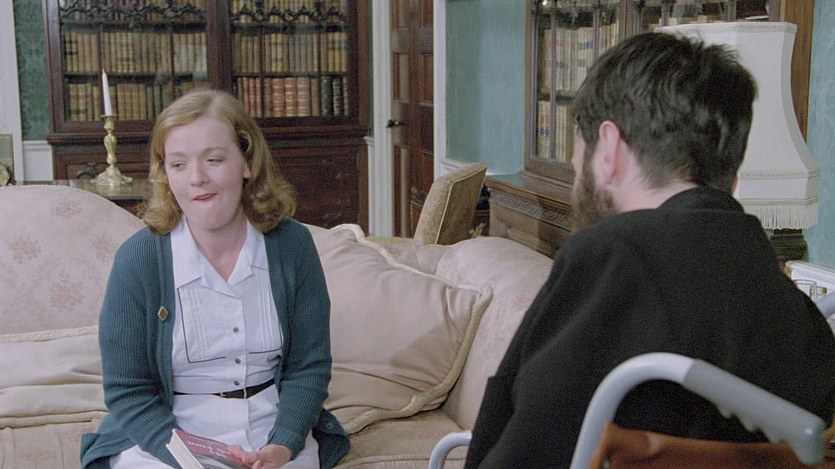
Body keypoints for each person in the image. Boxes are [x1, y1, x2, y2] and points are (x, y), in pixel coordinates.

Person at [463, 31, 835, 468]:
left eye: (579, 154)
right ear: (731, 176)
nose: (576, 171)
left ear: (609, 149)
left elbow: (526, 453)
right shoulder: (799, 316)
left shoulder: (611, 259)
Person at [80, 88, 349, 468]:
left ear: (247, 162)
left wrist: (284, 444)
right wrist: (185, 457)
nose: (197, 179)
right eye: (178, 164)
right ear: (165, 174)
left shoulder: (292, 246)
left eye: (214, 160)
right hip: (166, 436)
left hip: (273, 429)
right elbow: (129, 390)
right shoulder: (138, 259)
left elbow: (309, 366)